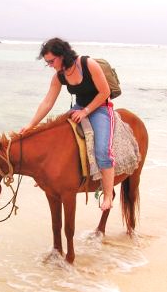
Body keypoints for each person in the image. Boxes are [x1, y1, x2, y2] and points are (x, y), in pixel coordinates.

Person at [20, 37, 115, 211]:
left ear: (62, 55)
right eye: (47, 62)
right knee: (53, 137)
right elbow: (48, 102)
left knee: (102, 151)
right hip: (78, 108)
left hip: (100, 107)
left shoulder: (88, 64)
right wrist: (31, 125)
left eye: (51, 61)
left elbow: (105, 92)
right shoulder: (60, 76)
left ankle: (108, 195)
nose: (49, 65)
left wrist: (86, 111)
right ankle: (51, 175)